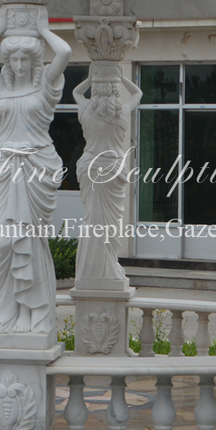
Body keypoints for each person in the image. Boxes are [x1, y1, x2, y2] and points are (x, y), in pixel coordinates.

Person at [0, 6, 71, 335]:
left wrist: (44, 29)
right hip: (3, 167)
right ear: (7, 61)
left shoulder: (45, 86)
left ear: (35, 61)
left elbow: (65, 51)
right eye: (14, 59)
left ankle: (33, 312)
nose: (20, 65)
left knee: (30, 241)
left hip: (35, 167)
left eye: (26, 59)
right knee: (2, 243)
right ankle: (7, 308)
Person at [73, 69, 142, 286]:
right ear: (115, 92)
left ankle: (90, 268)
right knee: (110, 223)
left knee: (92, 218)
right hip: (112, 169)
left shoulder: (85, 109)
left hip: (89, 167)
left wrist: (91, 78)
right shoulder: (121, 113)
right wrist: (120, 77)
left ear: (95, 90)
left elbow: (76, 92)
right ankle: (107, 265)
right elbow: (138, 94)